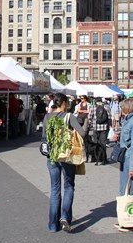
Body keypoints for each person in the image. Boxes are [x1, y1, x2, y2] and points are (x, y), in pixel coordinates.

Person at [42, 93, 86, 233]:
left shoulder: (47, 117)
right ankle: (65, 216)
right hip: (67, 156)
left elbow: (44, 138)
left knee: (55, 189)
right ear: (64, 103)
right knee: (69, 187)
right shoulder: (69, 117)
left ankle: (53, 225)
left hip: (52, 157)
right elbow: (82, 133)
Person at [118, 98, 133, 197]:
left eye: (122, 107)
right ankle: (125, 204)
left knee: (129, 188)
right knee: (124, 187)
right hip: (125, 156)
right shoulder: (127, 120)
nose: (121, 109)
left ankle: (129, 206)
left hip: (130, 157)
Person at [89, 98, 109, 165]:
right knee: (103, 144)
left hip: (95, 127)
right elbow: (109, 116)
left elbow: (89, 117)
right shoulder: (106, 107)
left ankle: (96, 158)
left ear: (96, 101)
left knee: (96, 144)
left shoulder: (93, 107)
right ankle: (104, 159)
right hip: (104, 127)